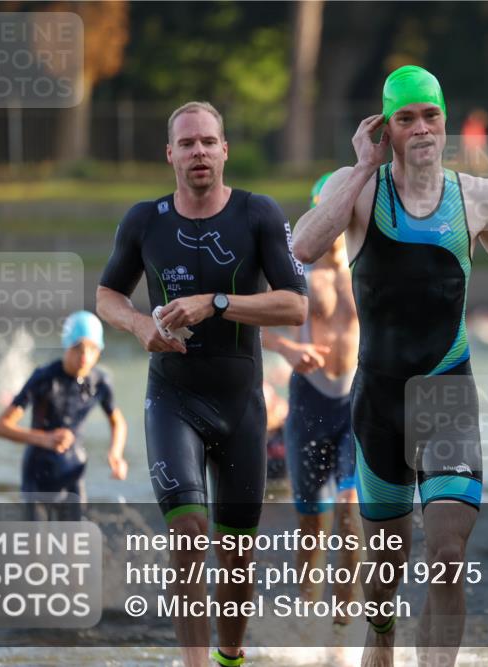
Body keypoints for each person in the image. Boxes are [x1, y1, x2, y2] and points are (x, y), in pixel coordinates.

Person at [291, 65, 488, 667]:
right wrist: (358, 167)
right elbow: (301, 246)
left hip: (447, 392)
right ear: (387, 128)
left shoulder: (480, 198)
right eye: (406, 119)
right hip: (378, 402)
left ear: (445, 120)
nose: (422, 128)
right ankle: (379, 640)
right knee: (383, 575)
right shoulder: (363, 193)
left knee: (449, 556)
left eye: (431, 115)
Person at [95, 101, 308, 667]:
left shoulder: (257, 214)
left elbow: (293, 305)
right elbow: (106, 296)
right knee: (188, 533)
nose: (199, 152)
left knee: (237, 556)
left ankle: (230, 658)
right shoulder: (145, 221)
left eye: (208, 142)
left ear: (225, 150)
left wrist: (215, 304)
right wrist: (141, 324)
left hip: (241, 407)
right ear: (170, 154)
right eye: (187, 143)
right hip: (173, 401)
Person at [261, 172, 362, 626]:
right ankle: (307, 609)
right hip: (308, 402)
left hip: (356, 403)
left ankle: (346, 616)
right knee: (312, 519)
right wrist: (288, 348)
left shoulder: (366, 266)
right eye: (329, 212)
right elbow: (251, 322)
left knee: (350, 503)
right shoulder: (296, 270)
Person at [0, 311, 127, 520]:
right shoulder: (44, 378)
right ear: (66, 345)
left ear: (99, 350)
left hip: (73, 472)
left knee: (75, 548)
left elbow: (117, 421)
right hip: (38, 475)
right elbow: (0, 426)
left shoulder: (100, 382)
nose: (85, 357)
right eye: (78, 348)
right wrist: (44, 439)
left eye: (92, 349)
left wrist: (115, 454)